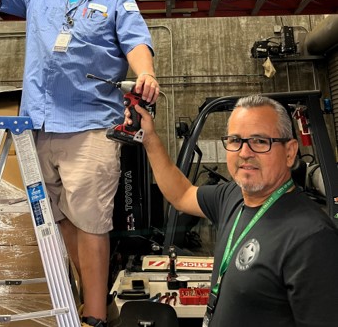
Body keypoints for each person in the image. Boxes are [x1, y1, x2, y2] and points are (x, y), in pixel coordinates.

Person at [0, 0, 160, 327]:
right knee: (60, 216)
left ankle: (95, 318)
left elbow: (137, 43)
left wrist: (146, 73)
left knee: (92, 221)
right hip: (38, 128)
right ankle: (83, 299)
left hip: (89, 127)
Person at [134, 94, 338, 327]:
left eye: (260, 141)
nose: (244, 152)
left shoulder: (312, 238)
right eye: (235, 140)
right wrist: (149, 138)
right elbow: (181, 195)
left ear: (290, 152)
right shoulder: (232, 197)